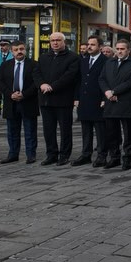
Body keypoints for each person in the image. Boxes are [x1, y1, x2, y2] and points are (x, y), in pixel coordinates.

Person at [37, 31, 81, 166]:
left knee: (65, 129)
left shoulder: (73, 57)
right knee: (48, 129)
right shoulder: (44, 57)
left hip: (63, 99)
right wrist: (42, 84)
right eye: (52, 40)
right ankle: (51, 154)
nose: (55, 43)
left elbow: (69, 76)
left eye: (58, 40)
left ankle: (64, 155)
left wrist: (53, 86)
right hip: (45, 99)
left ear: (64, 42)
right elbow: (36, 73)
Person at [99, 39, 131, 169]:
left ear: (128, 50)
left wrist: (114, 91)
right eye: (117, 49)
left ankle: (127, 158)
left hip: (126, 103)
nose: (119, 51)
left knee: (129, 133)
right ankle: (114, 157)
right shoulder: (109, 62)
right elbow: (102, 78)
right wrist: (107, 92)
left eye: (122, 49)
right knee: (112, 133)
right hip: (110, 103)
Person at [0, 40, 40, 164]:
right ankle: (13, 154)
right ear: (12, 51)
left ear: (25, 50)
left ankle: (31, 155)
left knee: (30, 130)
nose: (19, 52)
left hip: (28, 101)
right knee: (12, 131)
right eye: (16, 50)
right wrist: (10, 94)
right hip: (10, 102)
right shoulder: (5, 65)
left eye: (21, 49)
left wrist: (24, 94)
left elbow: (36, 82)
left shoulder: (34, 64)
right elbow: (0, 82)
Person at [73, 36, 107, 167]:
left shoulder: (106, 61)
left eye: (93, 44)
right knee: (86, 129)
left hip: (98, 100)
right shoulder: (83, 60)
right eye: (88, 44)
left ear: (100, 47)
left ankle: (101, 155)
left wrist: (104, 98)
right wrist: (76, 97)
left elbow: (107, 80)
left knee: (100, 130)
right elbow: (79, 80)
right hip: (84, 99)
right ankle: (86, 154)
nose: (89, 47)